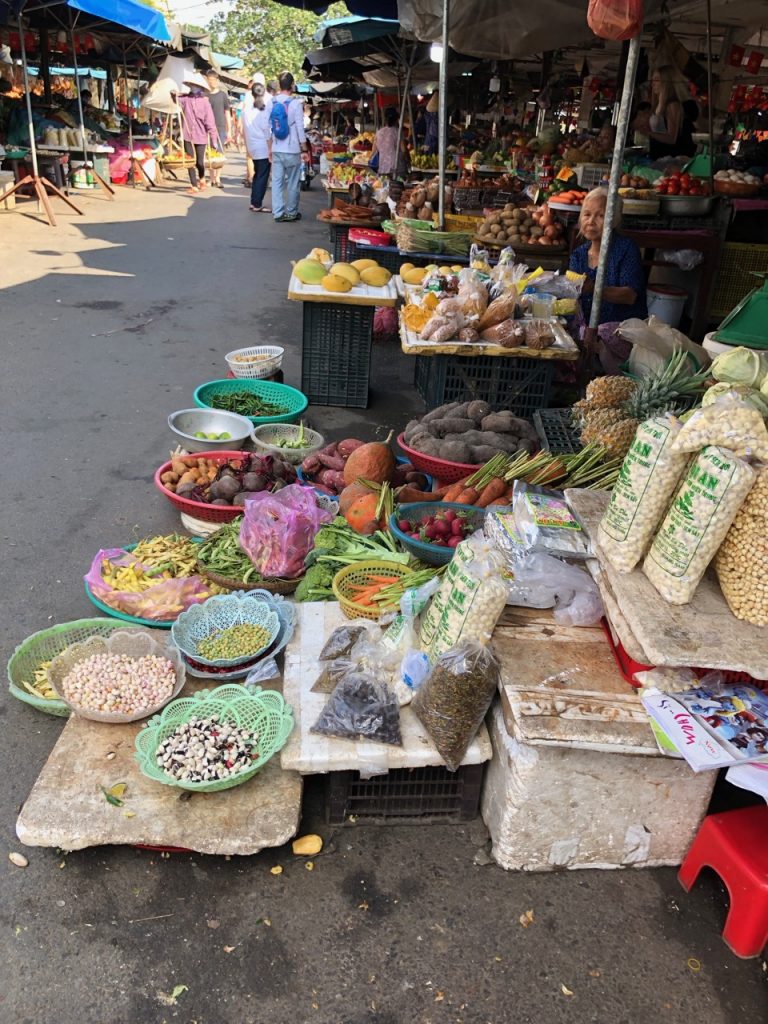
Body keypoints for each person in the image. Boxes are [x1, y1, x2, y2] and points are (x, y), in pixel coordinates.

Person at [569, 188, 647, 373]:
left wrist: (594, 289)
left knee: (600, 333)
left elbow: (630, 295)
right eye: (586, 214)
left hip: (621, 329)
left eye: (600, 216)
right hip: (587, 328)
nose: (591, 221)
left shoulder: (626, 249)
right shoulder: (579, 255)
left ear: (614, 220)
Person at [270, 71, 309, 223]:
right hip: (292, 150)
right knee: (293, 182)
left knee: (277, 182)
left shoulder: (271, 102)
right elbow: (300, 128)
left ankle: (278, 213)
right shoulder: (295, 104)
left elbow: (267, 127)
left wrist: (269, 148)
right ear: (292, 85)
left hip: (277, 148)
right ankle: (291, 212)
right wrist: (304, 149)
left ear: (279, 85)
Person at [177, 72, 218, 195]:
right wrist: (173, 93)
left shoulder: (205, 102)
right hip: (188, 134)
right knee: (190, 161)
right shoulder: (185, 99)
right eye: (192, 85)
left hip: (201, 135)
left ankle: (201, 178)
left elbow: (210, 121)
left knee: (199, 161)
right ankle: (193, 185)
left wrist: (214, 138)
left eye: (196, 85)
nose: (194, 87)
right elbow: (174, 100)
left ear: (200, 87)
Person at [646, 65, 695, 159]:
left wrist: (648, 133)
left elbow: (672, 138)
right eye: (652, 80)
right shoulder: (655, 104)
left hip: (669, 157)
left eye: (656, 80)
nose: (653, 84)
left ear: (665, 82)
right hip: (657, 155)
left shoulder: (672, 105)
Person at [243, 76, 272, 213]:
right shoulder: (262, 110)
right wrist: (271, 147)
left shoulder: (246, 110)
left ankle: (254, 201)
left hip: (252, 145)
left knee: (257, 174)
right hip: (262, 146)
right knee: (262, 175)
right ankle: (257, 203)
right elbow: (266, 130)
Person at [204, 70, 230, 187]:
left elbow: (227, 112)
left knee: (219, 153)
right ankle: (211, 178)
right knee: (209, 153)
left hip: (220, 126)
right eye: (210, 80)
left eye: (214, 80)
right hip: (207, 127)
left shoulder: (223, 95)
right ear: (207, 80)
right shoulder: (204, 95)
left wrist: (229, 130)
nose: (213, 82)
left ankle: (218, 178)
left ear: (217, 81)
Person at [370, 106, 402, 176]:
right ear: (396, 119)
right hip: (395, 168)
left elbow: (373, 152)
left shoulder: (379, 133)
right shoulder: (398, 132)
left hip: (382, 167)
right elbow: (404, 150)